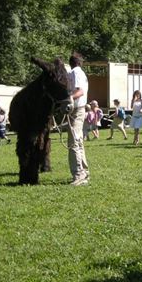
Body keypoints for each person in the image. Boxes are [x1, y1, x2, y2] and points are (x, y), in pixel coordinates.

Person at [67, 52, 90, 186]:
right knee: (78, 141)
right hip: (77, 110)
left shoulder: (76, 73)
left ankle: (79, 174)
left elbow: (79, 91)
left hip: (77, 110)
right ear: (80, 62)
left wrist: (68, 98)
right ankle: (84, 172)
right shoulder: (78, 73)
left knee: (73, 142)